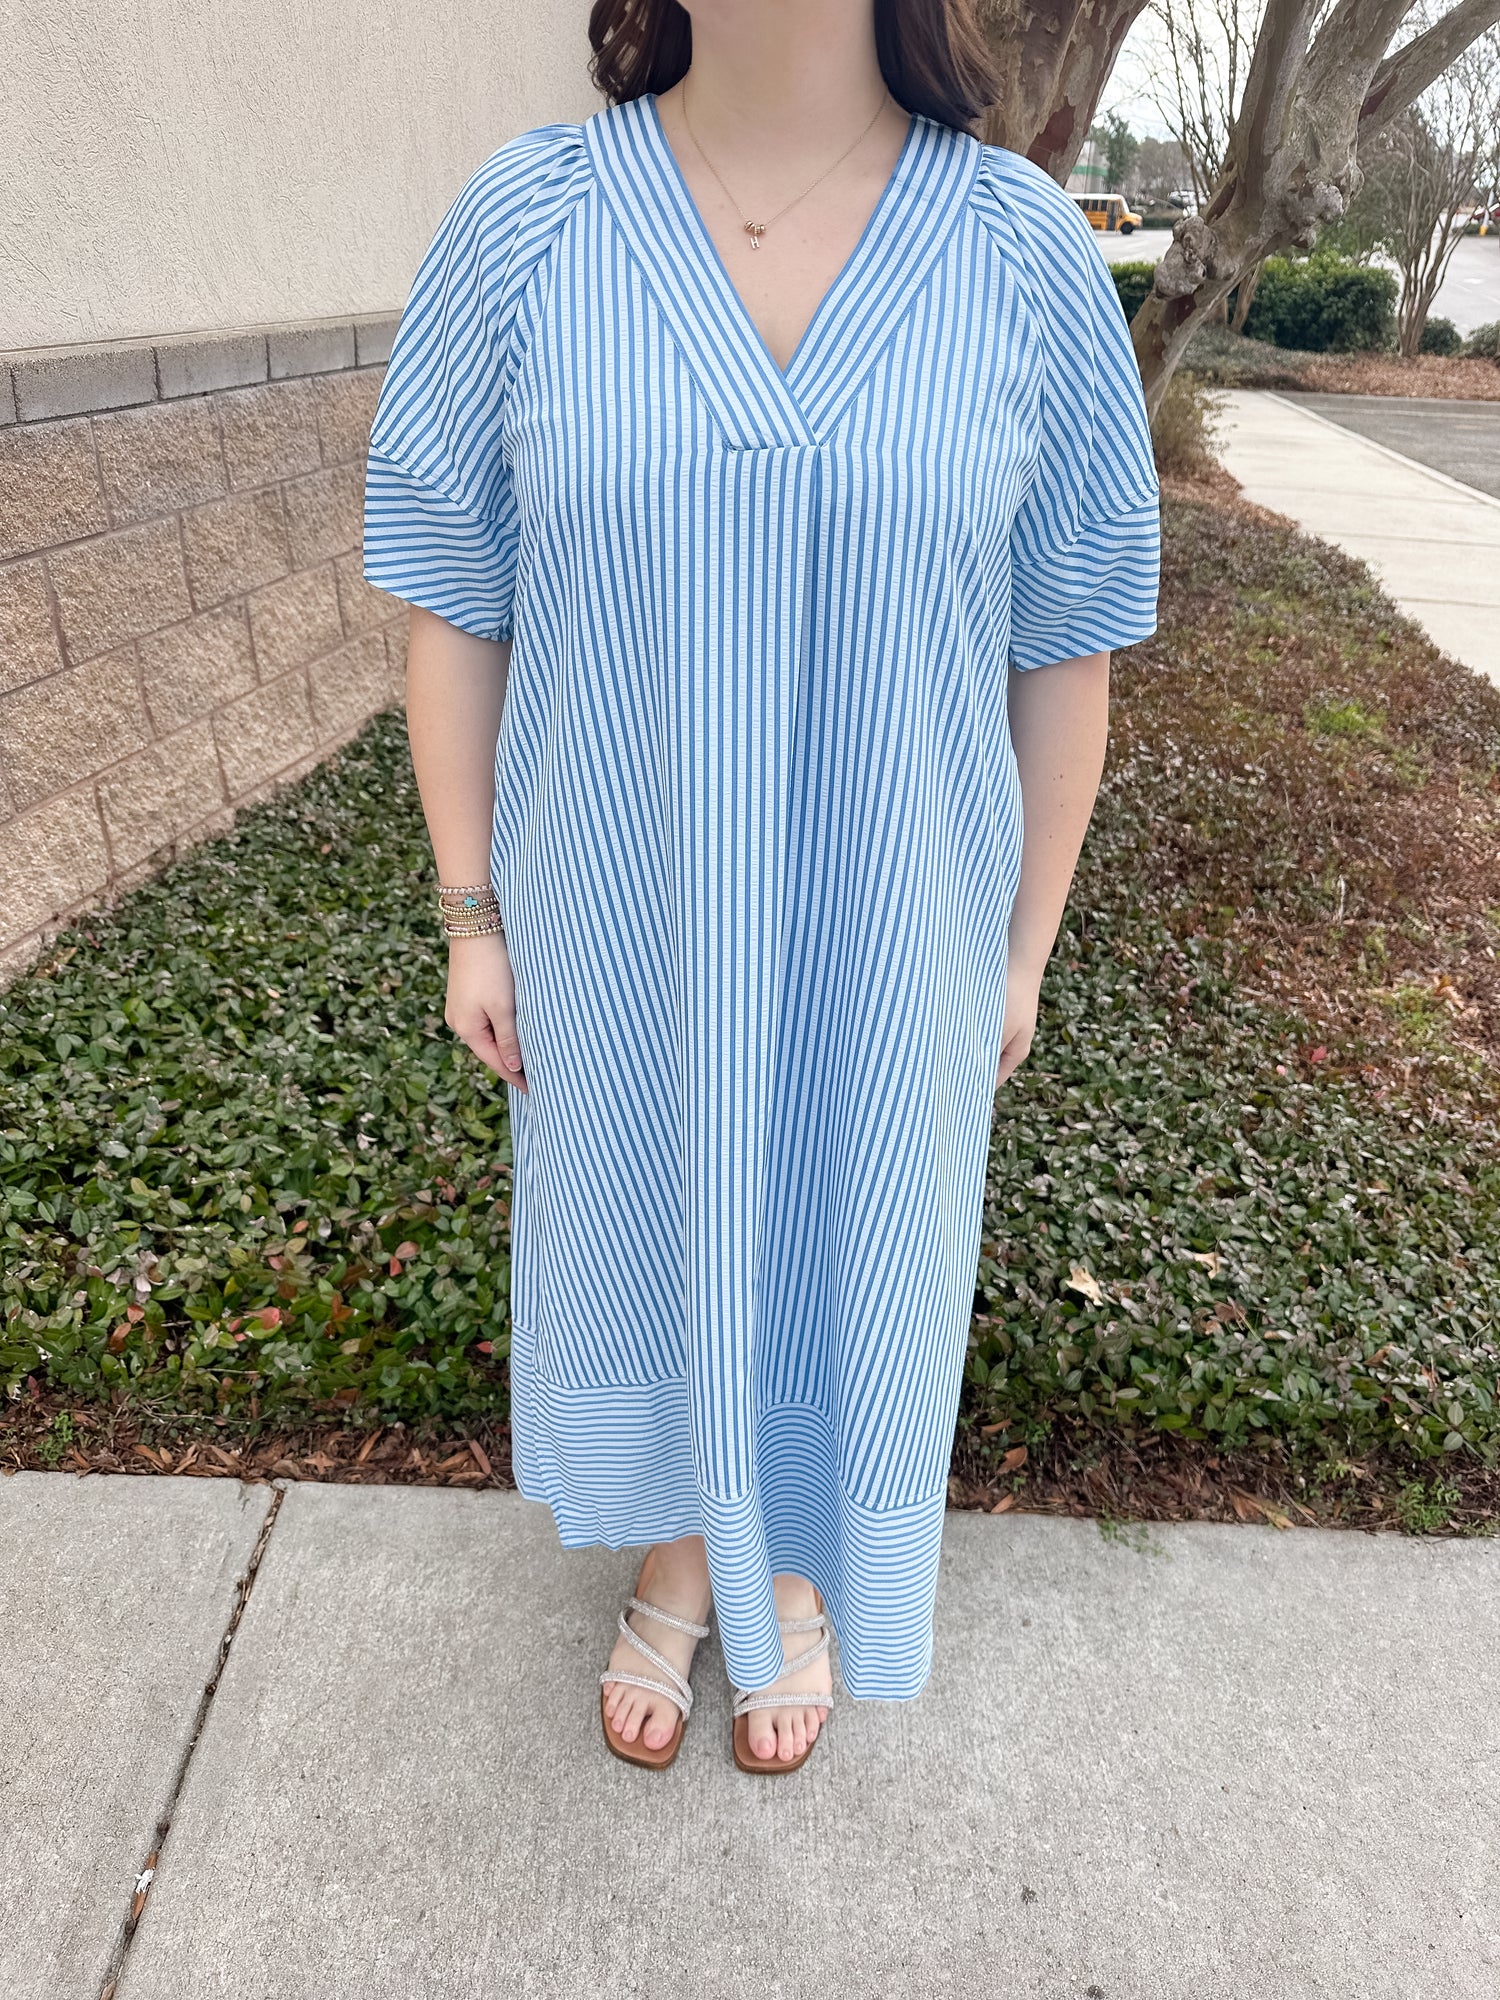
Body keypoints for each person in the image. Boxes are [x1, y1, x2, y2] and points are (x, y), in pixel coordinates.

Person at [362, 0, 1160, 1776]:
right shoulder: (530, 223)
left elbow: (1071, 635)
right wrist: (471, 912)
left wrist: (1020, 951)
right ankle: (678, 1543)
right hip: (618, 912)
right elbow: (455, 589)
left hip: (895, 918)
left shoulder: (1022, 249)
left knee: (844, 1235)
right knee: (647, 1222)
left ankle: (788, 1556)